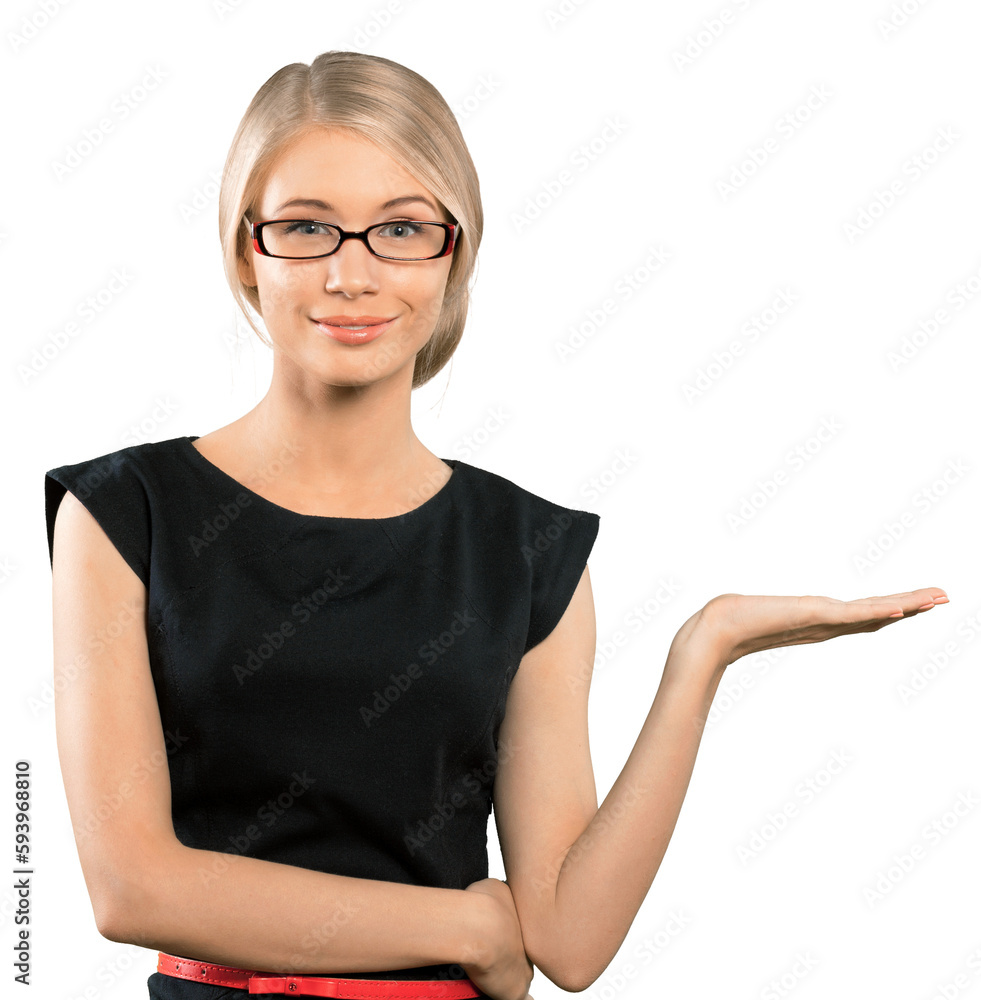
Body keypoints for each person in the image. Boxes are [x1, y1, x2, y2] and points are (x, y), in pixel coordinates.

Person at [44, 50, 949, 1000]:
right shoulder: (122, 515)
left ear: (454, 253)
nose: (353, 274)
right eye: (307, 227)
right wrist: (466, 921)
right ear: (246, 250)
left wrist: (701, 654)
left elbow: (568, 939)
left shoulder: (526, 549)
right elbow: (130, 886)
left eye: (401, 229)